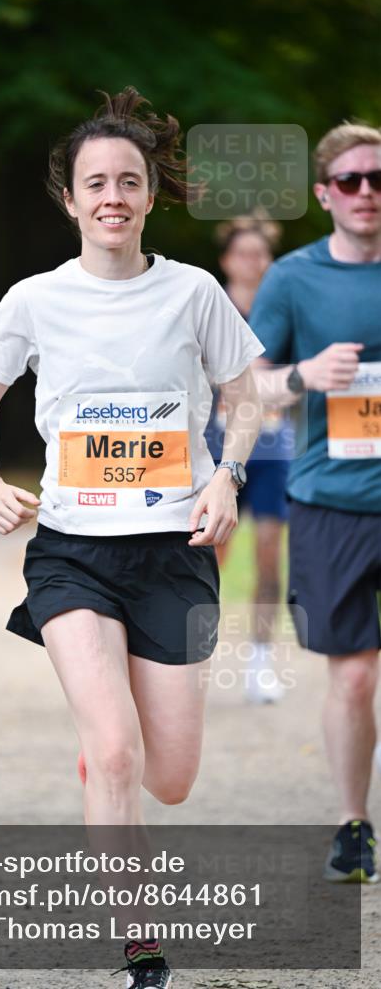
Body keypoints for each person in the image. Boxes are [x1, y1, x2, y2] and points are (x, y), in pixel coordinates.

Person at [0, 88, 264, 988]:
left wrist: (224, 474)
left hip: (172, 553)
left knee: (168, 777)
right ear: (70, 198)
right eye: (95, 182)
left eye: (127, 181)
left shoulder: (193, 292)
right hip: (72, 553)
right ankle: (141, 945)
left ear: (147, 196)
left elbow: (245, 396)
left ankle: (106, 758)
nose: (111, 197)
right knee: (121, 752)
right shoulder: (35, 299)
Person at [249, 122, 381, 883]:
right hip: (330, 499)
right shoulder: (293, 279)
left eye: (378, 179)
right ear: (323, 193)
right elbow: (246, 384)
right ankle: (351, 822)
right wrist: (302, 376)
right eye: (351, 181)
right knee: (354, 675)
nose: (367, 192)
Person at [204, 213, 292, 703]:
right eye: (243, 253)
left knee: (267, 554)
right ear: (226, 260)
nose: (252, 262)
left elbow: (302, 379)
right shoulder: (211, 309)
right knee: (213, 556)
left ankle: (260, 661)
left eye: (260, 254)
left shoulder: (282, 311)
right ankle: (196, 654)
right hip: (219, 448)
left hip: (275, 449)